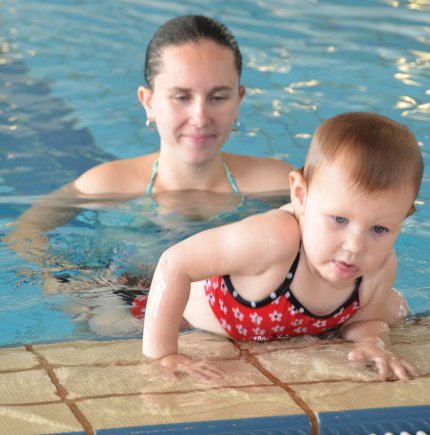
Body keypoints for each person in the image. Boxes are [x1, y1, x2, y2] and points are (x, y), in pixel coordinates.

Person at [142, 112, 423, 382]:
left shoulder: (380, 267)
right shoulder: (272, 239)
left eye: (379, 229)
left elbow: (366, 322)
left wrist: (372, 343)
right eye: (339, 219)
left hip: (281, 323)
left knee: (396, 308)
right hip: (176, 309)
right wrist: (163, 355)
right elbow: (174, 263)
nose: (355, 246)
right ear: (300, 195)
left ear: (403, 218)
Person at [5, 14, 294, 266]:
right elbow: (24, 232)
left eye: (218, 98)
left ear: (239, 100)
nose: (200, 117)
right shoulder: (104, 185)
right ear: (149, 102)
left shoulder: (279, 184)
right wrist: (68, 289)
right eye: (181, 97)